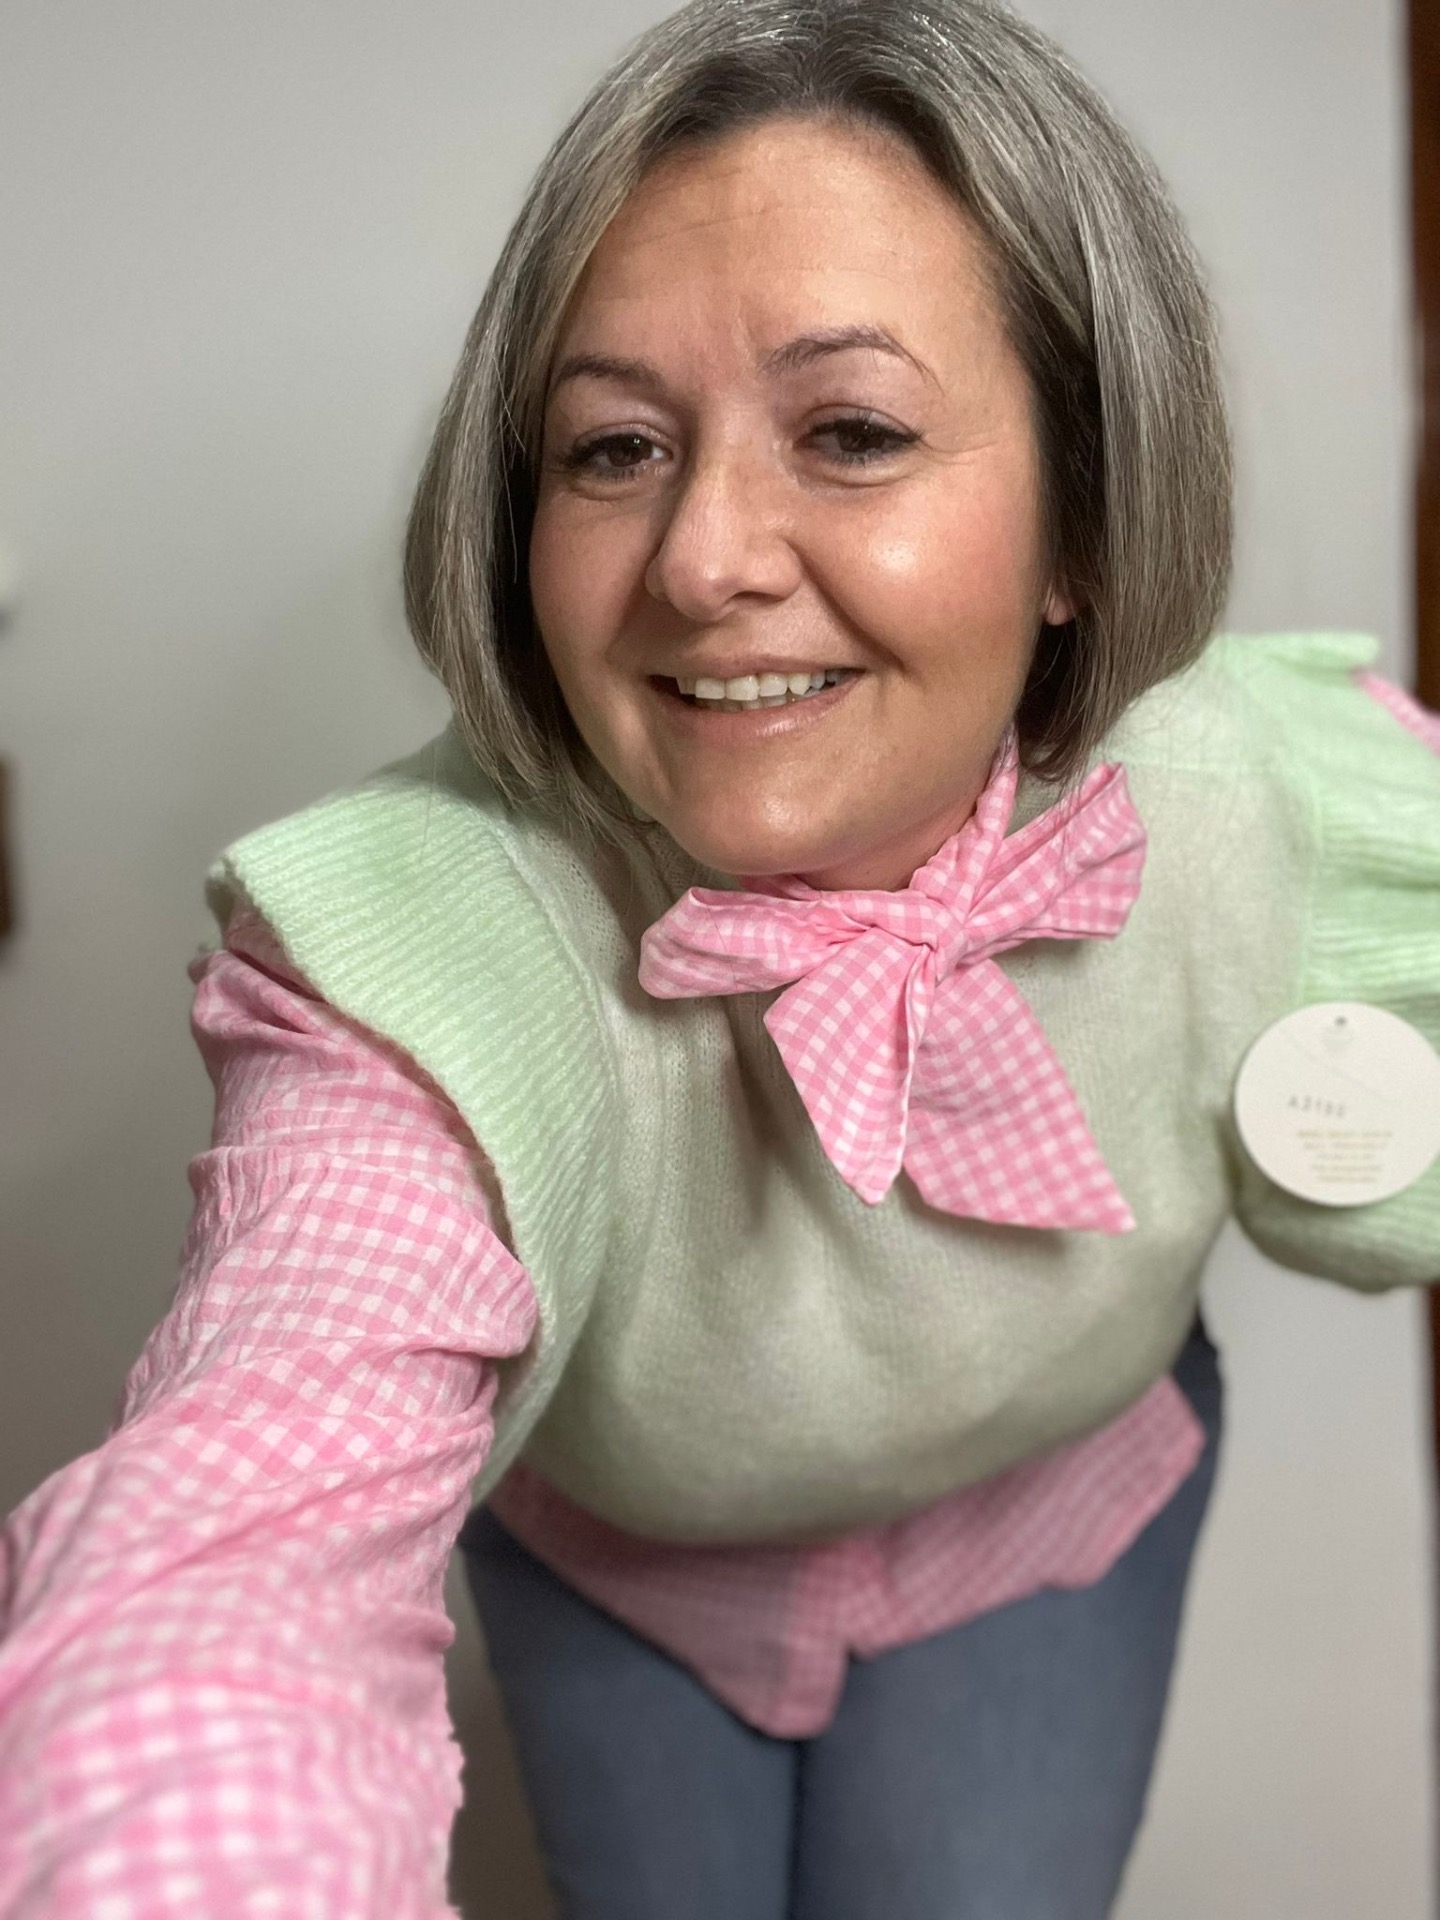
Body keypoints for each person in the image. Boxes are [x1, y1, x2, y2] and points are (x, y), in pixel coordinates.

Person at [1, 0, 1437, 1915]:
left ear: (1080, 520)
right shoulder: (431, 933)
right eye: (615, 448)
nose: (701, 562)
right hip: (624, 1576)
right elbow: (241, 1522)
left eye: (852, 433)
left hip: (1054, 1519)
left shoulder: (1273, 798)